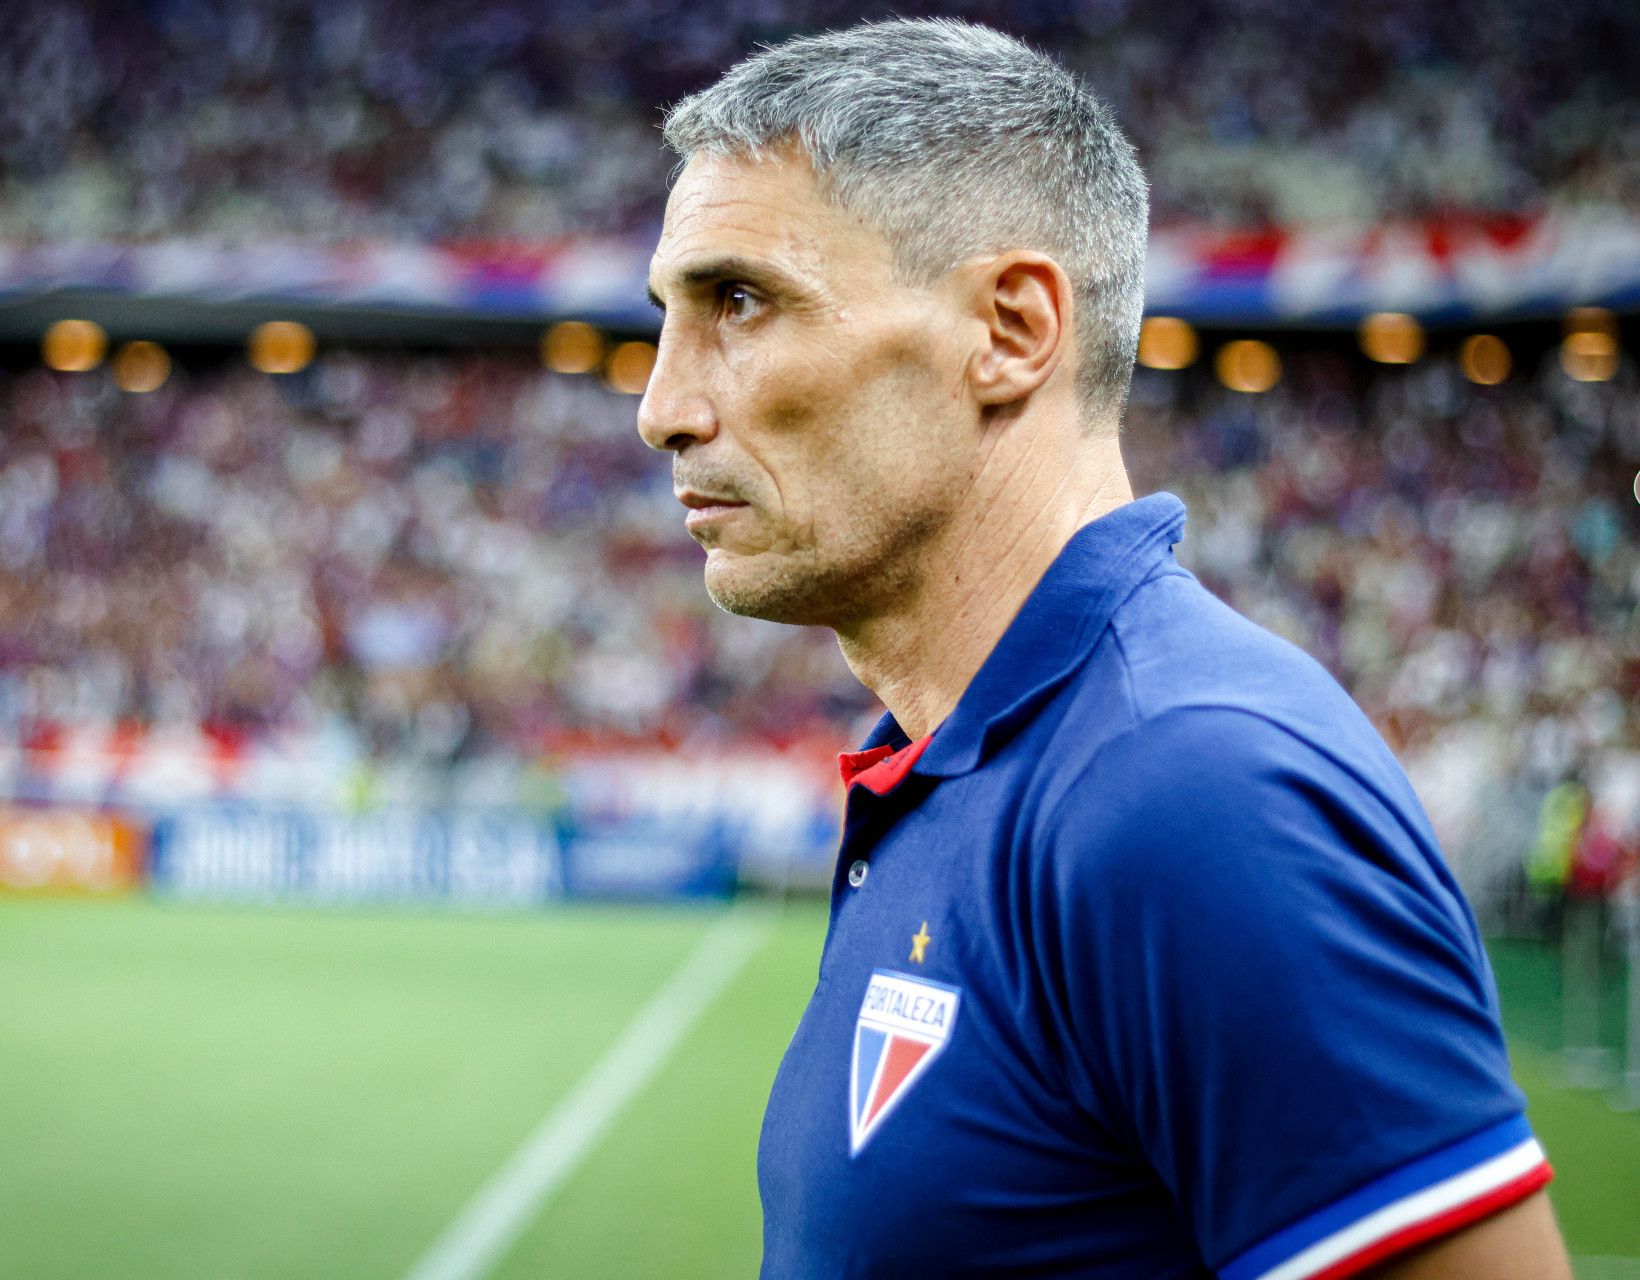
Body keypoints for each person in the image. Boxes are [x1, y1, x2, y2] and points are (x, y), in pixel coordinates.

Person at [637, 19, 1572, 1280]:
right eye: (669, 316)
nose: (662, 409)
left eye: (740, 302)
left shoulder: (1190, 789)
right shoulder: (963, 758)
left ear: (1012, 330)